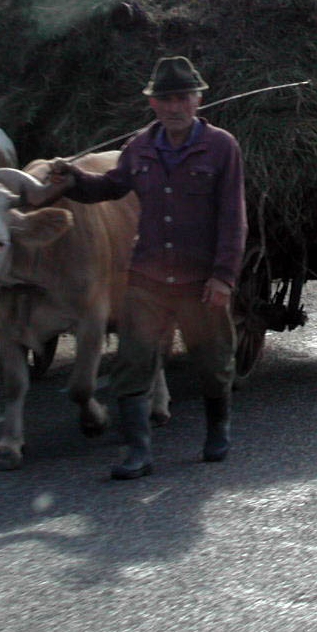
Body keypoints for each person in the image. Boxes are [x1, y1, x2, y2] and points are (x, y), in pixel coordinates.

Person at [48, 56, 247, 479]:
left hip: (199, 277)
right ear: (153, 104)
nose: (174, 106)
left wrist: (224, 276)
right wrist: (73, 179)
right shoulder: (139, 147)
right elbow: (111, 187)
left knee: (213, 363)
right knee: (132, 364)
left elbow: (233, 216)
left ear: (197, 100)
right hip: (147, 278)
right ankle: (138, 452)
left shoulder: (220, 147)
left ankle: (217, 432)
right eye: (165, 99)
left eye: (182, 97)